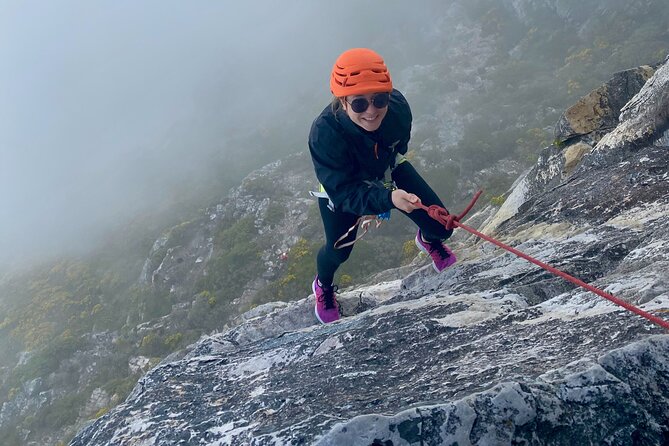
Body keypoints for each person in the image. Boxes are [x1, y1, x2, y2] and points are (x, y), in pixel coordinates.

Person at [308, 48, 456, 324]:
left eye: (379, 99)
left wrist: (389, 184)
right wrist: (387, 198)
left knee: (441, 225)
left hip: (386, 167)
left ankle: (428, 239)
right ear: (342, 102)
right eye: (359, 104)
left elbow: (399, 146)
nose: (372, 111)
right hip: (343, 185)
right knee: (339, 249)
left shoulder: (398, 111)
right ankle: (323, 286)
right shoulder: (324, 134)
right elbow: (342, 191)